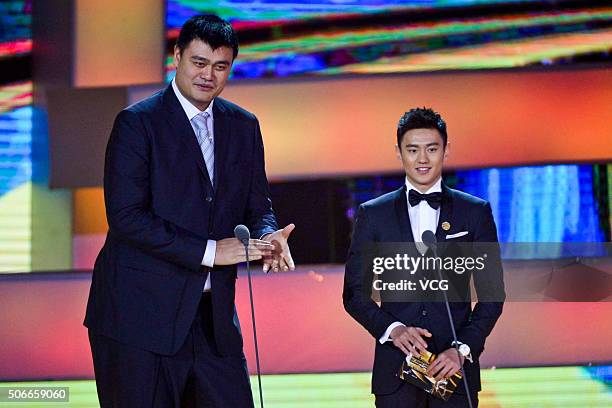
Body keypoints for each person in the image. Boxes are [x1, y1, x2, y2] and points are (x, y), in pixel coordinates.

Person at [84, 14, 295, 407]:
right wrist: (214, 251)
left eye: (220, 66)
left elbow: (257, 204)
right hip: (139, 319)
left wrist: (267, 236)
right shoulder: (136, 123)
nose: (208, 75)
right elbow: (126, 216)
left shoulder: (243, 125)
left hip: (213, 321)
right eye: (199, 63)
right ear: (177, 56)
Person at [343, 108, 504, 407]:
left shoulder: (475, 212)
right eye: (412, 150)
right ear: (398, 152)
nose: (423, 159)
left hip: (454, 373)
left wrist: (463, 349)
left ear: (446, 149)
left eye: (432, 149)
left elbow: (492, 297)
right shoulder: (373, 214)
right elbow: (354, 295)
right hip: (395, 373)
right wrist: (393, 330)